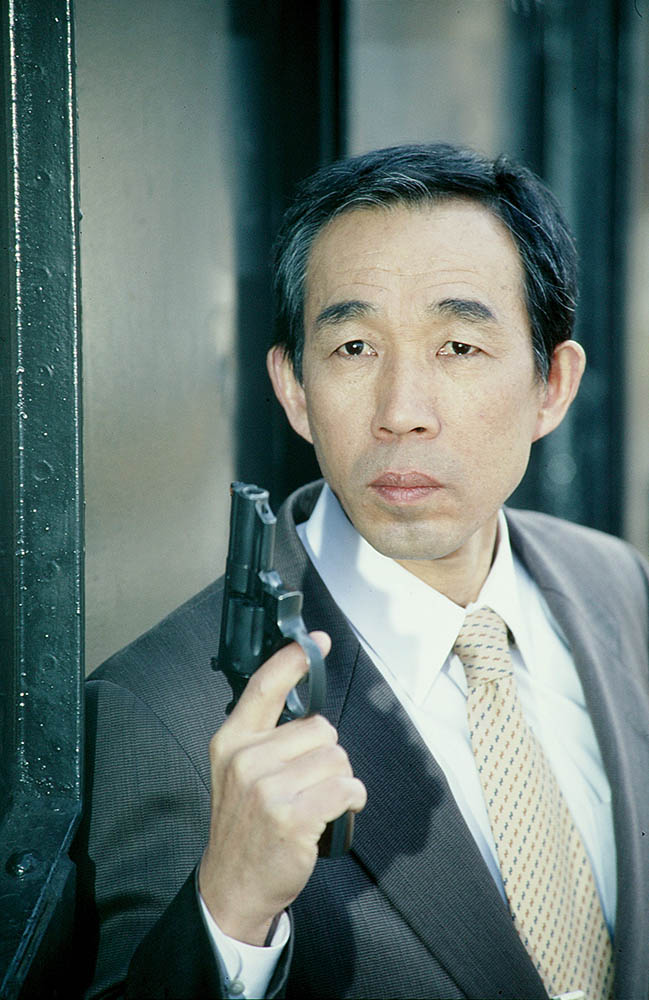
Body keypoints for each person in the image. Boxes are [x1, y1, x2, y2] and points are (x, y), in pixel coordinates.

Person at [72, 143, 649, 1000]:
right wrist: (227, 916)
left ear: (551, 387)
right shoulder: (162, 708)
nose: (401, 412)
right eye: (352, 347)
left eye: (458, 345)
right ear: (294, 389)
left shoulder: (616, 585)